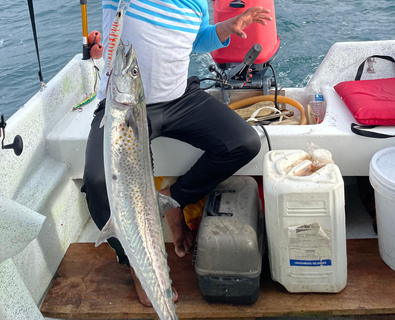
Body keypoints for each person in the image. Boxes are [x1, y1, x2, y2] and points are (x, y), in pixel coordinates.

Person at [81, 0, 273, 306]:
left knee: (244, 142)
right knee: (97, 181)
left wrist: (223, 29)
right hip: (124, 105)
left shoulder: (195, 2)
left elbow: (197, 39)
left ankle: (173, 200)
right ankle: (137, 265)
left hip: (178, 98)